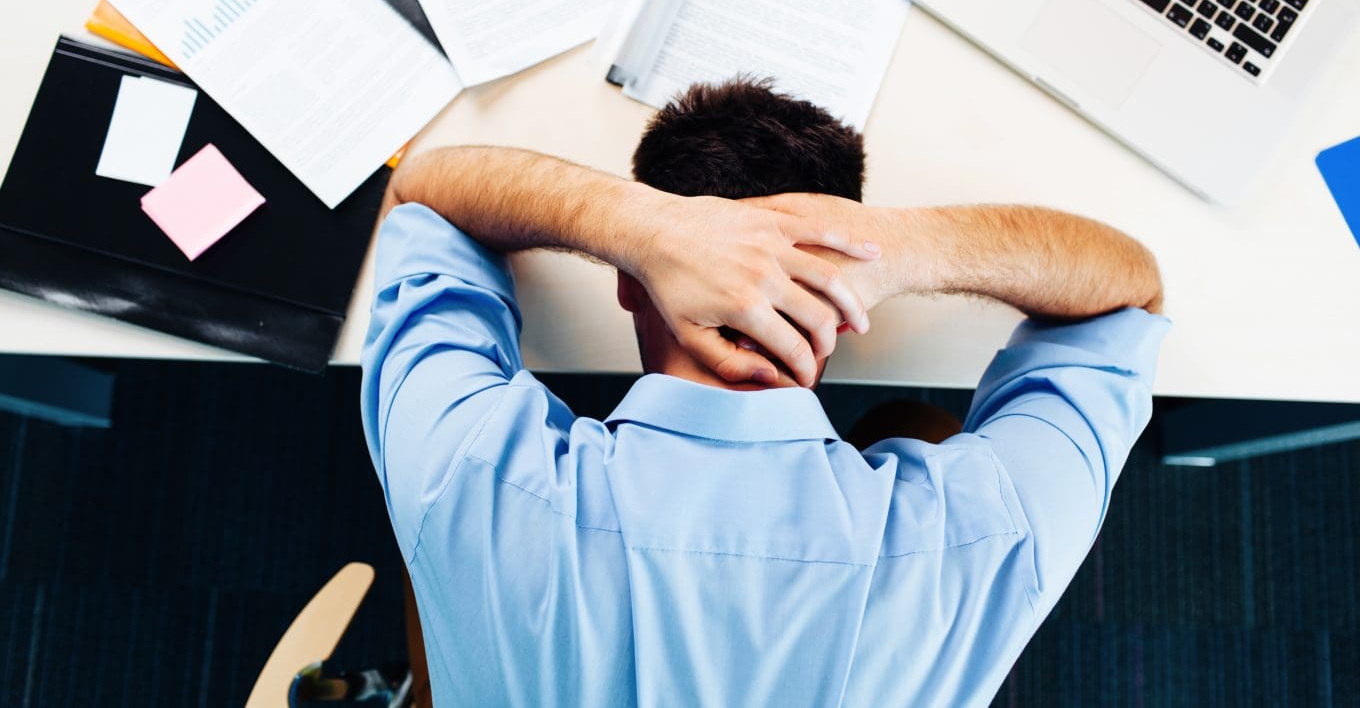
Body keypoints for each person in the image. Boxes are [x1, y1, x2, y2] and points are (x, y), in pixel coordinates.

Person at [360, 79, 1168, 707]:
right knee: (913, 424)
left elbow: (424, 195)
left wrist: (636, 229)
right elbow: (1129, 293)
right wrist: (906, 248)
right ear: (849, 313)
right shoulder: (982, 535)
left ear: (628, 288)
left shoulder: (471, 471)